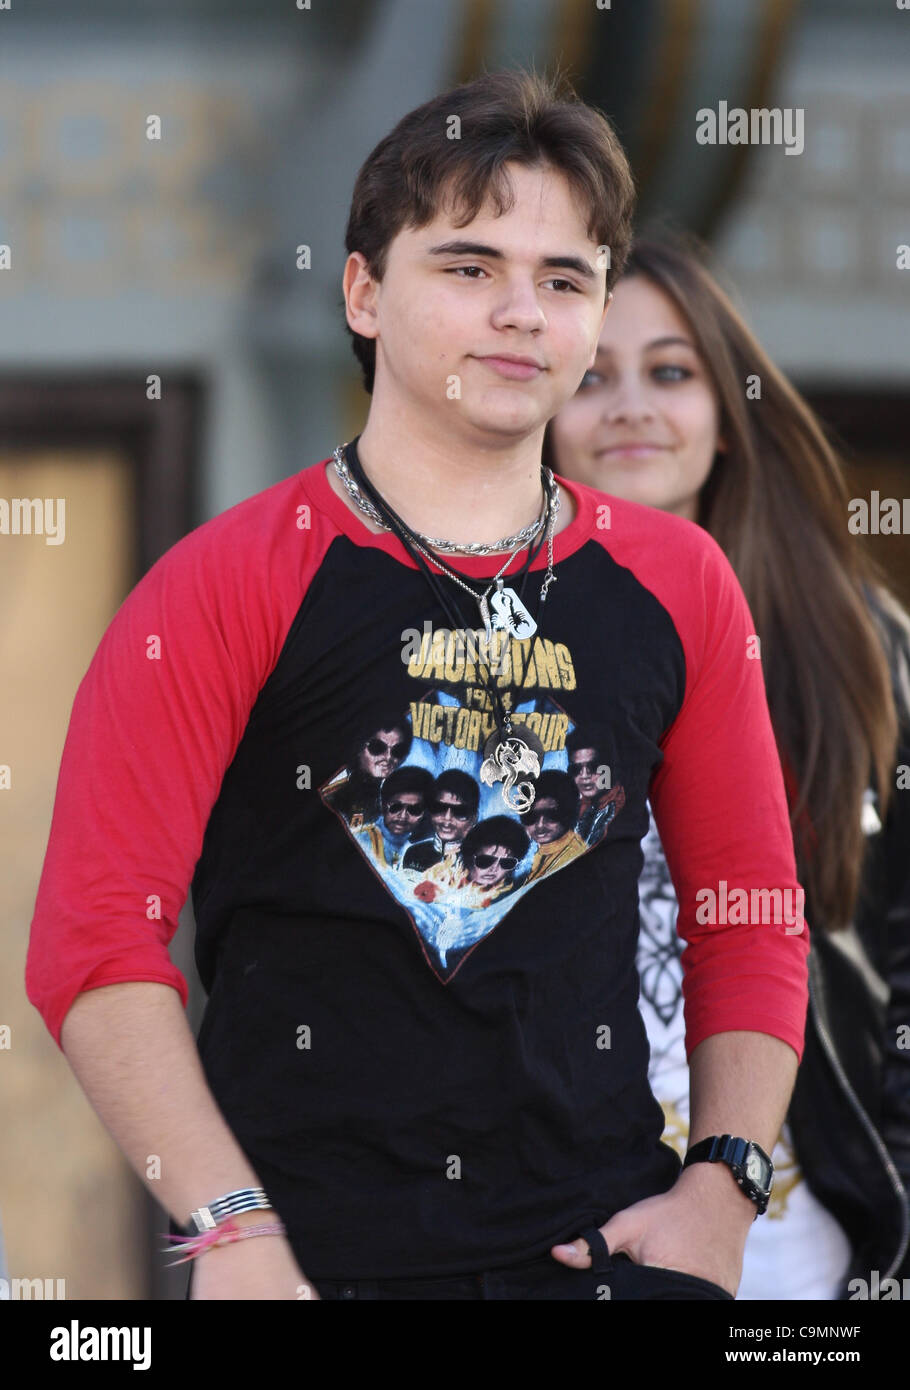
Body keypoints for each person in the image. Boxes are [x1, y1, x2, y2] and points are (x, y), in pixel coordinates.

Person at [26, 68, 809, 1302]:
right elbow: (92, 948)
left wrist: (721, 1190)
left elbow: (753, 916)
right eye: (467, 266)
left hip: (605, 1256)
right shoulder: (222, 585)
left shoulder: (678, 582)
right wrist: (228, 1230)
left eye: (563, 280)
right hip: (314, 1267)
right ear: (363, 292)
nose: (520, 313)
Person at [545, 230, 910, 1299]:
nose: (630, 406)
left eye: (670, 371)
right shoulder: (486, 646)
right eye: (590, 375)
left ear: (727, 415)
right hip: (561, 1219)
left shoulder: (856, 645)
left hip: (803, 1221)